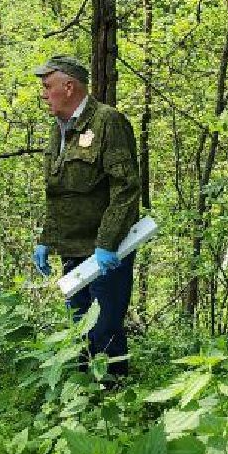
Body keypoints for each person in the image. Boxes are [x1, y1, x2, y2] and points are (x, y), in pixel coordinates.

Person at [32, 54, 141, 379]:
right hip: (72, 250)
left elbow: (126, 188)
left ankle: (113, 399)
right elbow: (59, 191)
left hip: (105, 253)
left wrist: (106, 242)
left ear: (69, 86)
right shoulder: (60, 129)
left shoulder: (108, 122)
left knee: (104, 331)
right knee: (79, 330)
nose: (43, 93)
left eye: (47, 85)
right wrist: (46, 240)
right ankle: (85, 398)